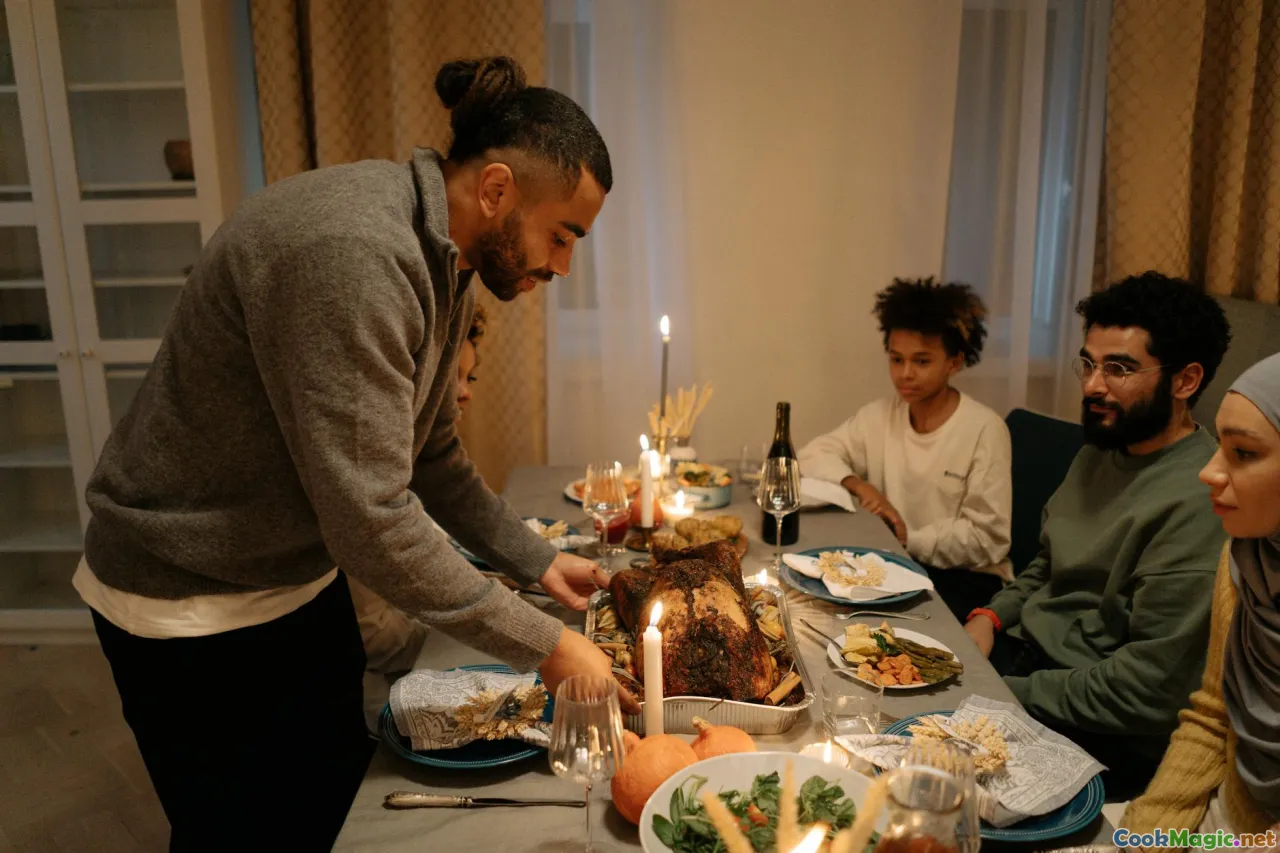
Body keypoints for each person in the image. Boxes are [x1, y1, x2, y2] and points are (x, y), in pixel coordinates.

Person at [72, 56, 635, 851]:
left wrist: (537, 559)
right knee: (239, 833)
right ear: (498, 189)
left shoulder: (446, 259)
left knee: (339, 812)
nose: (562, 264)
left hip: (289, 577)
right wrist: (549, 645)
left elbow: (431, 453)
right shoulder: (357, 253)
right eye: (564, 234)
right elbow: (372, 519)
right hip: (184, 599)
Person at [964, 272, 1231, 799]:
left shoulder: (1203, 497)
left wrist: (1000, 692)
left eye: (1119, 368)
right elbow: (1046, 564)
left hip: (1098, 731)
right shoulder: (1100, 451)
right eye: (1088, 363)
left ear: (1185, 381)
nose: (1091, 385)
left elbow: (1148, 690)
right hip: (1022, 667)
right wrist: (990, 616)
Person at [1122, 353, 1280, 845]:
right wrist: (1142, 838)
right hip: (1230, 817)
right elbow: (1214, 718)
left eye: (1244, 453)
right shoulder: (1246, 559)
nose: (1209, 472)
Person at [798, 277, 1012, 621]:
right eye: (897, 360)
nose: (905, 374)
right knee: (809, 602)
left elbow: (988, 539)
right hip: (895, 564)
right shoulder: (882, 415)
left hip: (966, 580)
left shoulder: (984, 429)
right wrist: (860, 485)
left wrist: (909, 537)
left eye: (922, 361)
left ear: (954, 362)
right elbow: (811, 455)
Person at [348, 304, 490, 675]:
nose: (464, 394)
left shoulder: (412, 452)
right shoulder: (365, 469)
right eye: (452, 377)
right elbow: (374, 631)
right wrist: (473, 640)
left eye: (470, 378)